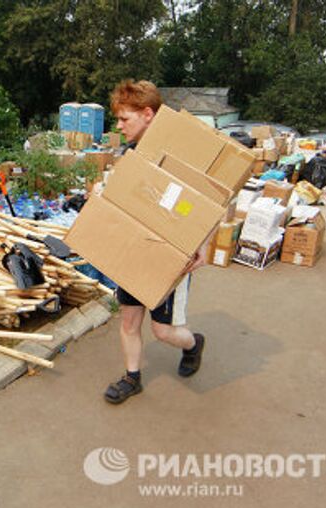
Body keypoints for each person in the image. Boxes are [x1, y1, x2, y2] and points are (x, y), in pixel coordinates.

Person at [103, 79, 208, 404]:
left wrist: (203, 243)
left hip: (172, 254)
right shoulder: (131, 154)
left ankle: (193, 344)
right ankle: (132, 378)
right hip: (136, 249)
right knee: (130, 319)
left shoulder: (181, 154)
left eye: (124, 118)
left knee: (163, 332)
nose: (119, 126)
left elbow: (211, 201)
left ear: (147, 113)